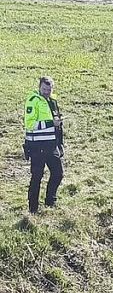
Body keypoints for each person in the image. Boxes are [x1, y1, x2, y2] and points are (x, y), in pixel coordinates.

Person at [24, 77, 64, 214]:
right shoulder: (33, 101)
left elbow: (58, 124)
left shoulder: (53, 101)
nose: (46, 92)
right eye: (44, 89)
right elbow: (29, 125)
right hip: (37, 146)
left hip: (51, 145)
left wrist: (60, 144)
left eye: (49, 89)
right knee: (37, 177)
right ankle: (33, 209)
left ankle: (50, 201)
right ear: (39, 87)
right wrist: (50, 123)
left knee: (58, 173)